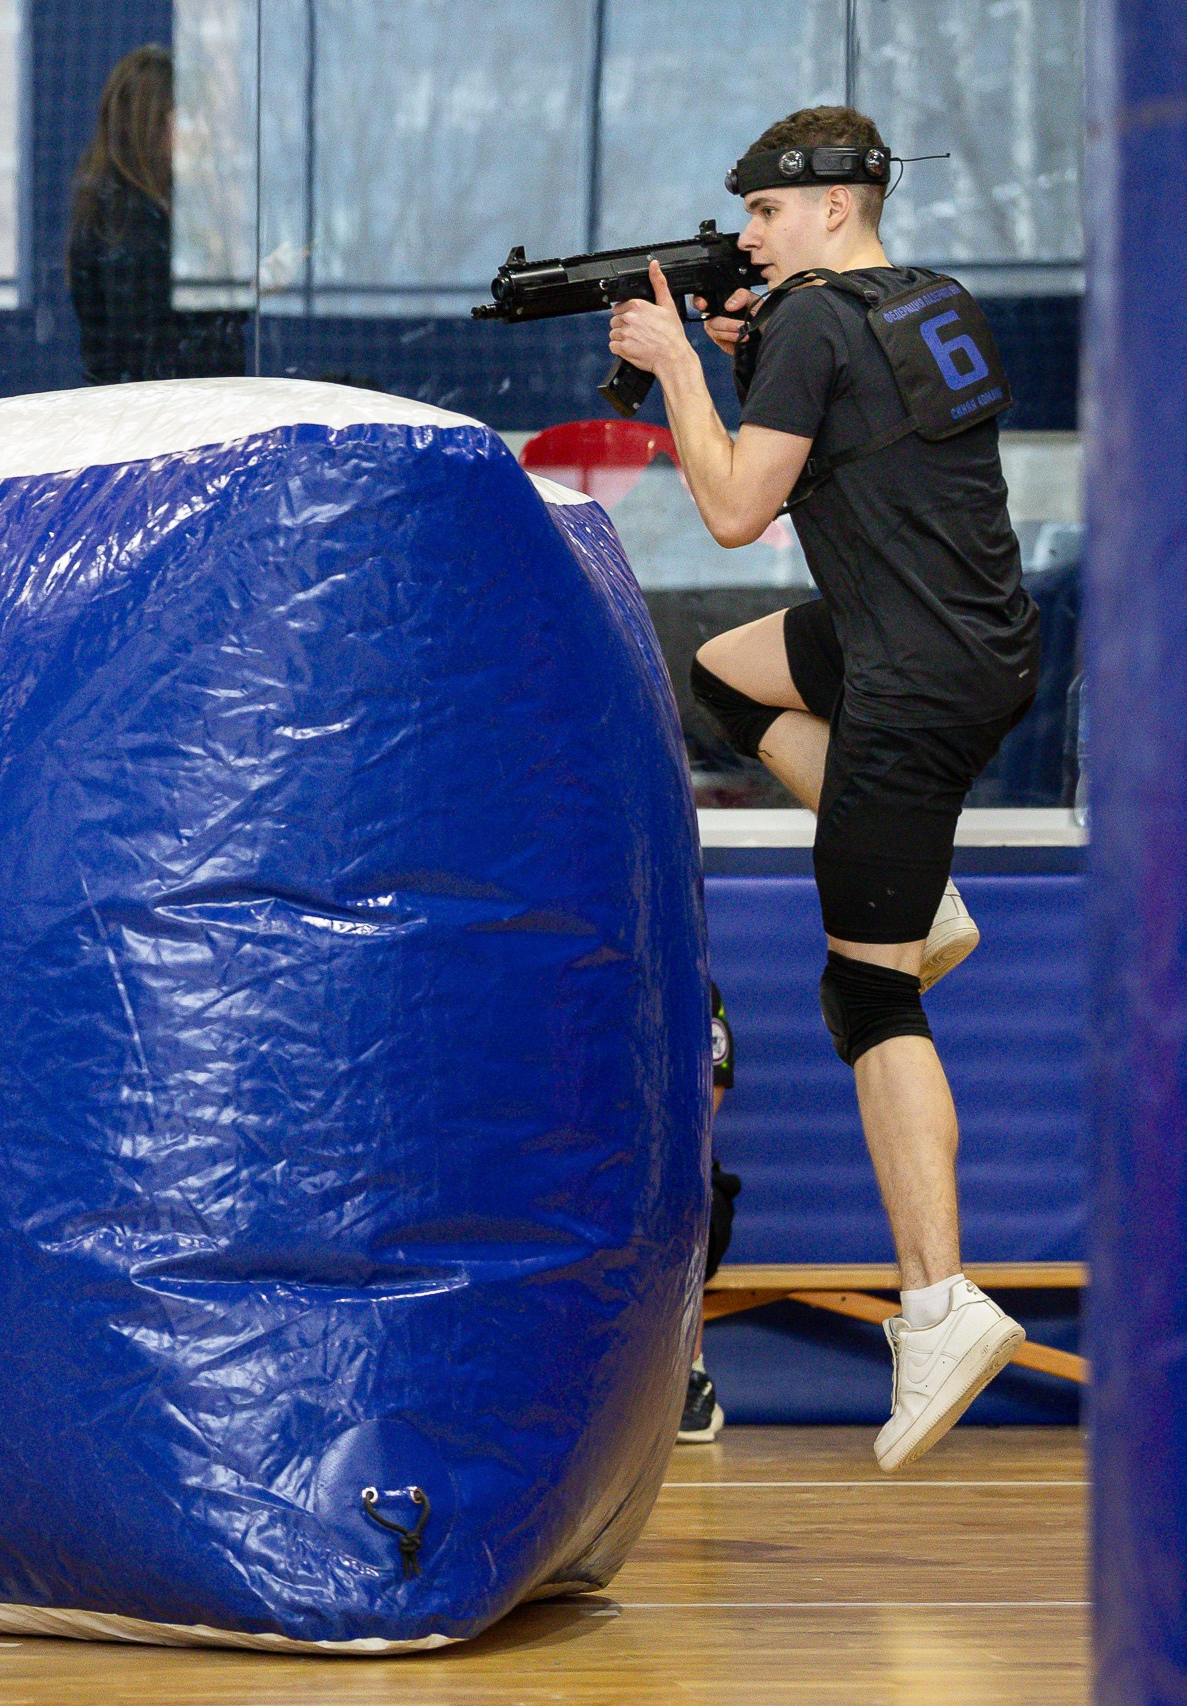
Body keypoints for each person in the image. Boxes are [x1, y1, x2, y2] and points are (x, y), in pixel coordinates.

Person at [609, 106, 1037, 1471]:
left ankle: (941, 1301)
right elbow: (873, 425)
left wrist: (684, 365)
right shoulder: (928, 299)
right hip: (975, 644)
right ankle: (928, 885)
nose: (749, 235)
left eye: (768, 215)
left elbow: (737, 508)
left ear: (835, 208)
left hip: (904, 686)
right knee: (727, 675)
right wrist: (758, 352)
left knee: (869, 989)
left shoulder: (806, 321)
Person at [67, 46, 248, 387]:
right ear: (150, 125)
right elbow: (158, 352)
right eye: (190, 117)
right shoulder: (129, 225)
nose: (205, 133)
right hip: (163, 423)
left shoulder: (139, 209)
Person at [680, 981, 743, 1444]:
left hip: (684, 1180)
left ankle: (688, 1377)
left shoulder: (697, 990)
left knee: (684, 1202)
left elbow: (708, 1096)